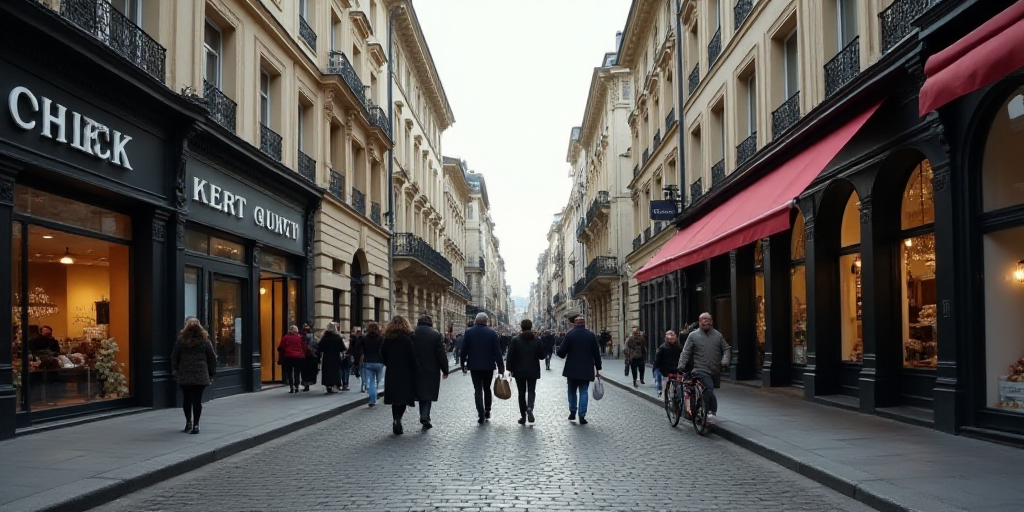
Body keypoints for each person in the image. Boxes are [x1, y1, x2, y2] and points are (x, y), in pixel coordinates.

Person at [678, 312, 731, 424]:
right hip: (700, 368)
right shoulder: (693, 335)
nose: (705, 321)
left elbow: (726, 349)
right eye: (703, 319)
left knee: (709, 390)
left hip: (715, 369)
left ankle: (700, 408)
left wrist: (725, 360)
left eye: (708, 319)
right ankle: (710, 412)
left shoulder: (718, 335)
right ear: (699, 321)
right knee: (708, 387)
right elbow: (686, 352)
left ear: (712, 321)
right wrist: (681, 366)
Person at [171, 317, 217, 434]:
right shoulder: (205, 341)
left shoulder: (181, 341)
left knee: (186, 399)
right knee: (197, 400)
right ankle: (196, 425)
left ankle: (188, 423)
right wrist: (211, 373)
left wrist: (176, 371)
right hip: (200, 374)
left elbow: (174, 357)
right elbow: (212, 358)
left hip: (185, 374)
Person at [556, 313, 602, 424]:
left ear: (575, 324)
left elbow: (562, 352)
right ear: (584, 324)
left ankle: (572, 412)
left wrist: (558, 351)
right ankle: (582, 415)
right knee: (584, 391)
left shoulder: (570, 335)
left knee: (571, 391)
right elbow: (596, 353)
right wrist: (598, 368)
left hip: (572, 368)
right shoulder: (591, 335)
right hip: (586, 368)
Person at [460, 312, 505, 424]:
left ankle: (480, 413)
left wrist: (463, 364)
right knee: (487, 388)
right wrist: (501, 367)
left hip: (474, 366)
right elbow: (497, 351)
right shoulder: (492, 333)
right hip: (488, 365)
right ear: (487, 321)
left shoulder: (469, 332)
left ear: (476, 320)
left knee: (477, 390)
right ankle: (487, 410)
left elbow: (463, 350)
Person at [380, 316, 419, 435]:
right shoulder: (407, 339)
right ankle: (399, 419)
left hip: (392, 372)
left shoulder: (387, 339)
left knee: (394, 399)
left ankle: (395, 419)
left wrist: (389, 363)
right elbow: (412, 356)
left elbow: (382, 353)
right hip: (405, 372)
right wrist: (416, 369)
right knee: (402, 399)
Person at [412, 314, 449, 429]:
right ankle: (425, 415)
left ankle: (422, 415)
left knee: (418, 391)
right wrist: (445, 369)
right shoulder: (435, 334)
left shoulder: (411, 333)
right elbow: (441, 354)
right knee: (427, 393)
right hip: (431, 369)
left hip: (414, 367)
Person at [506, 319, 545, 424]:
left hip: (519, 370)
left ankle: (523, 416)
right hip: (533, 369)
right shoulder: (537, 340)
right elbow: (542, 356)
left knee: (521, 393)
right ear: (531, 327)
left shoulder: (516, 340)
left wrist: (508, 368)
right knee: (531, 391)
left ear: (521, 327)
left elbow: (510, 355)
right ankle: (530, 408)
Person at [360, 321, 385, 407]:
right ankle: (374, 395)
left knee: (370, 381)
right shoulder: (381, 338)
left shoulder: (364, 338)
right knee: (377, 381)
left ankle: (372, 399)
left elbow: (360, 349)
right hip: (379, 362)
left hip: (368, 361)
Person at [278, 325, 308, 394]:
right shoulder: (300, 337)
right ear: (296, 330)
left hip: (288, 357)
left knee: (289, 372)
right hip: (298, 357)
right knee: (297, 373)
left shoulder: (285, 338)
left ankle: (291, 387)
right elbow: (305, 347)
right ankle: (296, 387)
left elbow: (281, 347)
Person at [318, 322, 346, 394]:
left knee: (327, 371)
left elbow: (320, 347)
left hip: (327, 357)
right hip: (336, 357)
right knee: (335, 371)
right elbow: (343, 348)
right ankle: (334, 385)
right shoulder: (338, 338)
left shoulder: (324, 338)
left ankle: (328, 385)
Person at [653, 330, 683, 398]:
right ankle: (664, 395)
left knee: (678, 385)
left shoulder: (679, 347)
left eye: (673, 335)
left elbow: (683, 357)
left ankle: (676, 398)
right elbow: (658, 361)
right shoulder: (662, 348)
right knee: (664, 381)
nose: (671, 337)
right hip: (664, 368)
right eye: (669, 336)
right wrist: (661, 370)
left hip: (675, 368)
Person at [300, 323, 319, 392]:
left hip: (305, 356)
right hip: (312, 356)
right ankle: (309, 383)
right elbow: (317, 346)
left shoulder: (301, 336)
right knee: (310, 371)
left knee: (304, 371)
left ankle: (306, 385)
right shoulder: (313, 336)